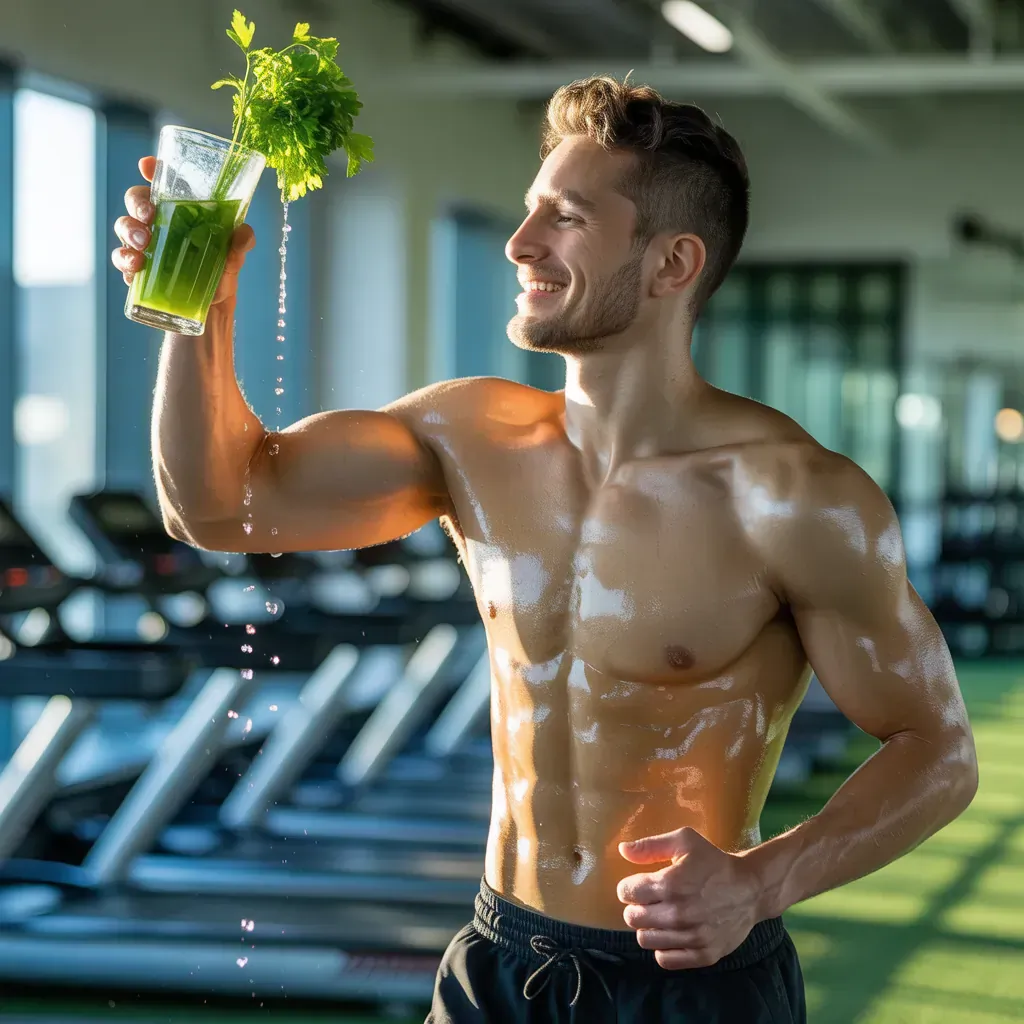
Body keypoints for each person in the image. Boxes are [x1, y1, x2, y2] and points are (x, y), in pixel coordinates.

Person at [113, 76, 979, 1023]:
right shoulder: (469, 438)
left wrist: (760, 882)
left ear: (672, 263)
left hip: (687, 983)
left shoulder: (793, 496)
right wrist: (200, 307)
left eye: (565, 218)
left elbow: (937, 748)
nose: (520, 243)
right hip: (497, 962)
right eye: (531, 211)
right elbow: (220, 507)